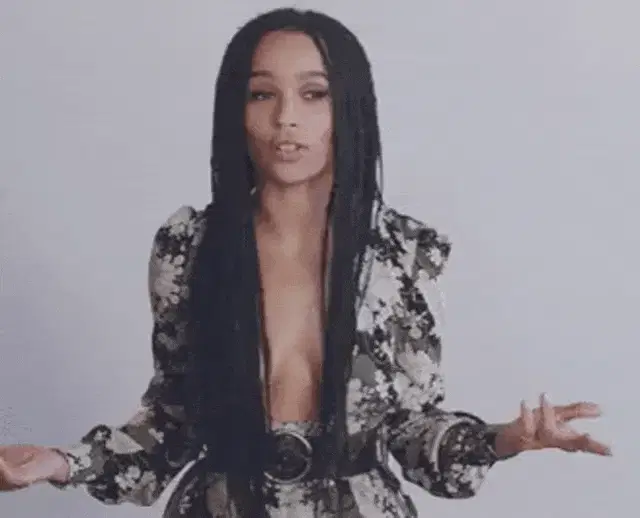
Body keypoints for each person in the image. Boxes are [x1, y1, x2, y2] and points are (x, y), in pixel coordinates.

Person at [0, 7, 611, 518]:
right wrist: (61, 462)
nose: (285, 118)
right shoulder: (190, 247)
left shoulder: (403, 252)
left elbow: (410, 427)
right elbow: (173, 422)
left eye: (314, 94)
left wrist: (504, 440)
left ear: (348, 109)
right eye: (262, 93)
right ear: (236, 110)